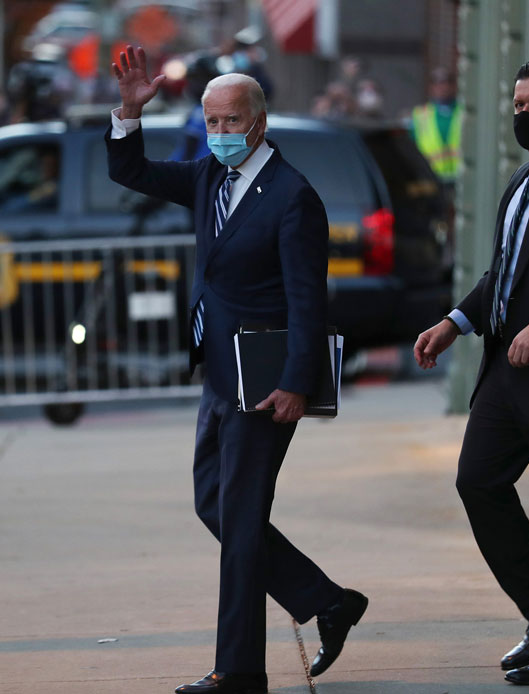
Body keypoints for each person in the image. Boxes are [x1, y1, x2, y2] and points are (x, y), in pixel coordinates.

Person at [106, 46, 367, 694]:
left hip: (267, 378)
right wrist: (129, 113)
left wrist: (297, 383)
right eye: (211, 121)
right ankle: (327, 601)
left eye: (231, 122)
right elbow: (131, 171)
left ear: (259, 124)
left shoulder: (292, 197)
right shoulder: (207, 180)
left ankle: (240, 671)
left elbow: (309, 299)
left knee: (242, 522)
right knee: (214, 504)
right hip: (220, 372)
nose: (220, 133)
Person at [413, 58, 529, 687]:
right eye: (519, 104)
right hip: (503, 373)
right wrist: (454, 322)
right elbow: (502, 274)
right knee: (477, 483)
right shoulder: (522, 181)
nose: (525, 115)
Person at [410, 67, 463, 189]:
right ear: (431, 88)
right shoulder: (420, 115)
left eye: (447, 83)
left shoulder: (463, 113)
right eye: (438, 84)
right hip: (430, 181)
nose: (443, 88)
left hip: (460, 180)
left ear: (454, 86)